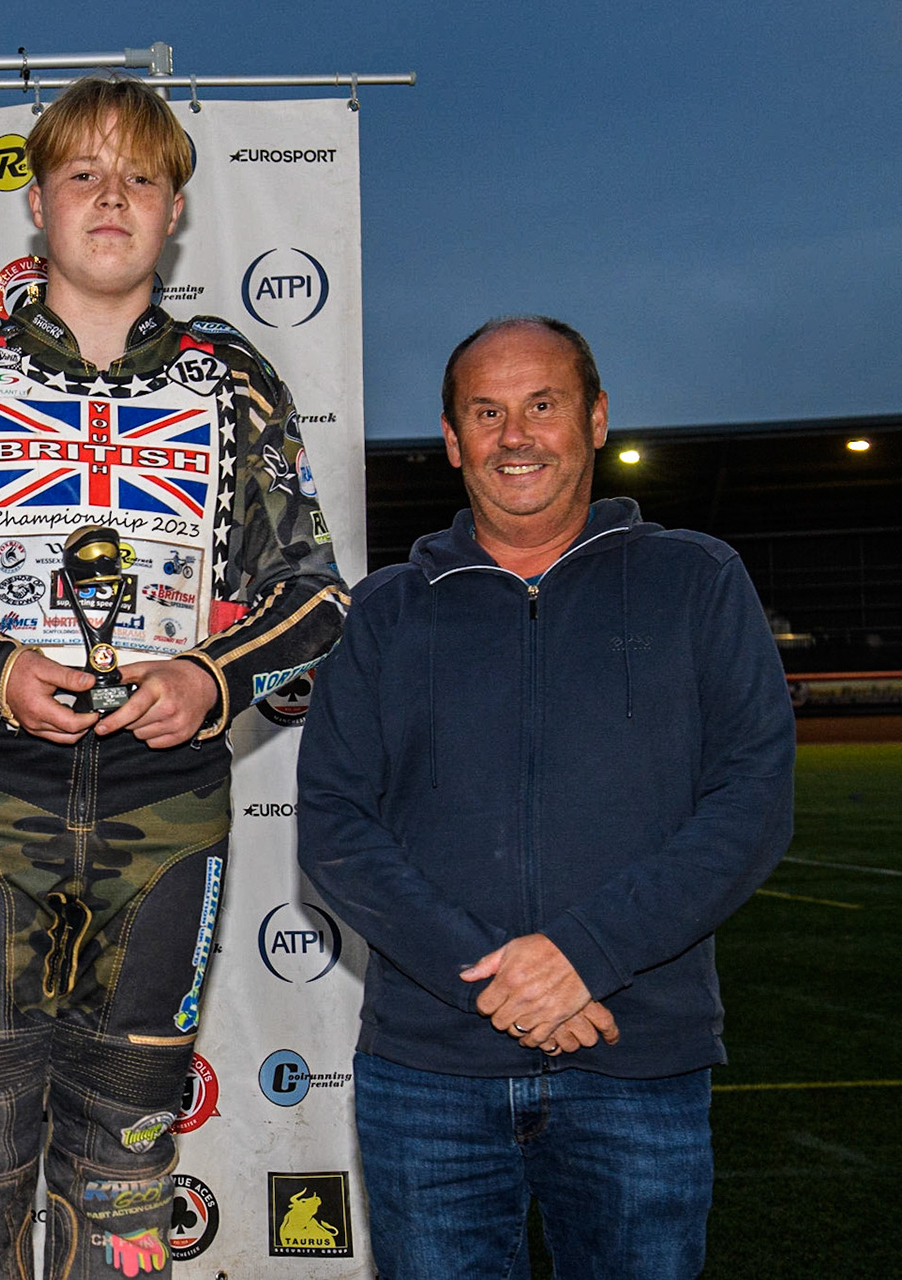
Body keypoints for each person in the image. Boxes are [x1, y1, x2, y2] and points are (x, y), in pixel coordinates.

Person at [0, 74, 347, 1280]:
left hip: (167, 819)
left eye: (140, 177)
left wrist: (212, 674)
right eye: (83, 174)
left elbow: (317, 596)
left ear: (176, 208)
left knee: (126, 1178)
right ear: (36, 203)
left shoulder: (232, 377)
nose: (112, 198)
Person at [295, 316, 795, 1278]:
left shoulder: (696, 581)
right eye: (486, 412)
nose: (513, 436)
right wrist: (509, 985)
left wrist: (585, 958)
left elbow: (752, 801)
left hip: (636, 1063)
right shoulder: (387, 612)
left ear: (596, 418)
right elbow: (335, 828)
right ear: (452, 439)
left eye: (542, 405)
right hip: (428, 1077)